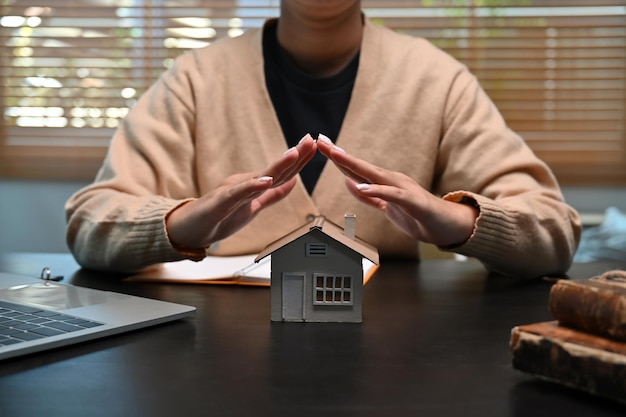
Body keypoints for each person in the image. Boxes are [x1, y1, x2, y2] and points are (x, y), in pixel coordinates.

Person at [65, 0, 581, 278]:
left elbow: (554, 232)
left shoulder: (436, 80)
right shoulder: (194, 80)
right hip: (213, 363)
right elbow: (91, 224)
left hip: (395, 369)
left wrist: (455, 220)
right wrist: (182, 224)